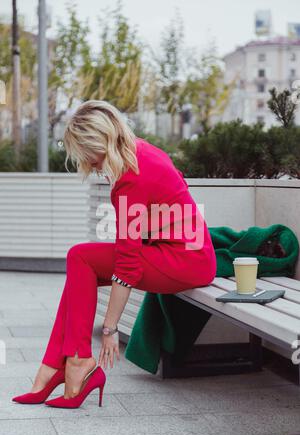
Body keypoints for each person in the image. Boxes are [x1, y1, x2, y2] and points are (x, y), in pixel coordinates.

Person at [12, 100, 217, 409]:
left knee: (80, 258)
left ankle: (74, 363)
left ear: (100, 141)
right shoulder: (140, 152)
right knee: (79, 268)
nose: (88, 165)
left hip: (185, 261)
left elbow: (127, 265)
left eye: (86, 155)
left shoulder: (130, 177)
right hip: (180, 250)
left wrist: (110, 329)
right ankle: (56, 366)